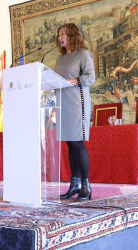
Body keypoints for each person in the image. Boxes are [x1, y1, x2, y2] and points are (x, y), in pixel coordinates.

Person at [54, 23, 96, 201]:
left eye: (62, 33)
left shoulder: (83, 54)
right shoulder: (59, 59)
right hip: (62, 104)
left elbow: (90, 77)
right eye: (58, 34)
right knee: (70, 144)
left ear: (71, 35)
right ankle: (75, 184)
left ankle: (86, 185)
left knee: (77, 143)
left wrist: (70, 81)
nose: (59, 37)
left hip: (77, 103)